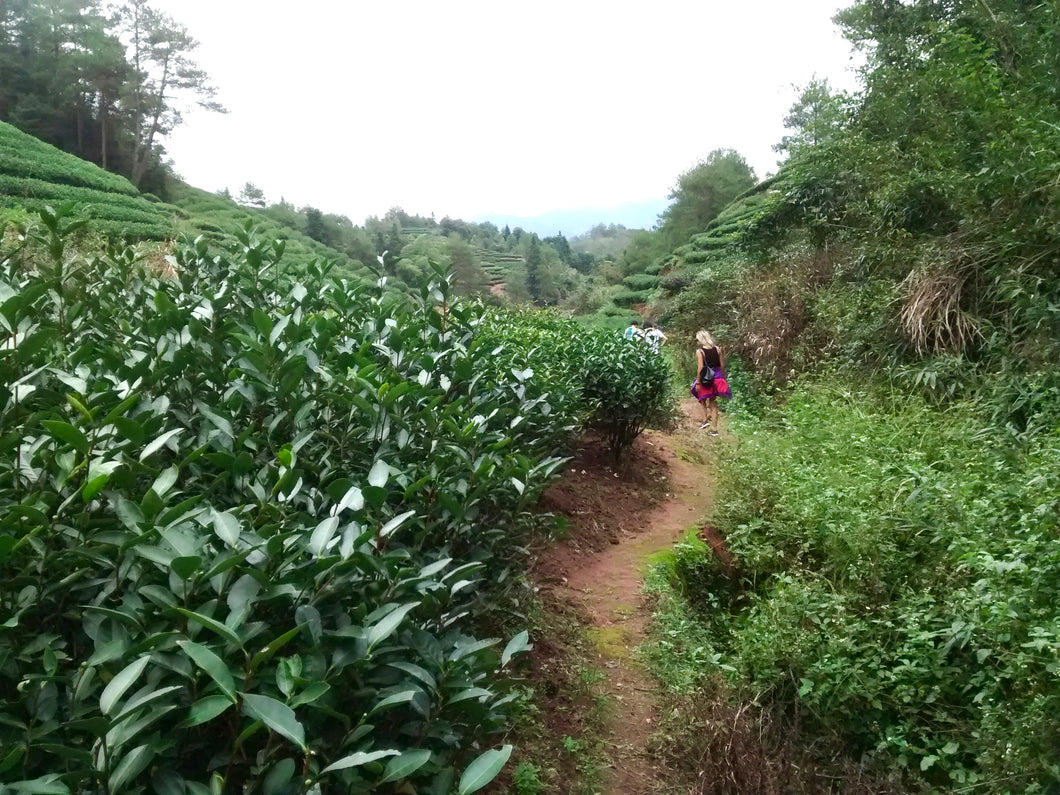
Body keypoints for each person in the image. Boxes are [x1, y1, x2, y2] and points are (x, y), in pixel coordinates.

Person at [691, 329, 732, 434]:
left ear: (700, 340)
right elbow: (722, 365)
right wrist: (722, 377)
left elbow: (700, 367)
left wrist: (699, 382)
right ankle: (714, 429)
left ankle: (705, 420)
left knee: (700, 396)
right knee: (713, 403)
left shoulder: (700, 352)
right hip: (717, 378)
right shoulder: (717, 349)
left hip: (706, 379)